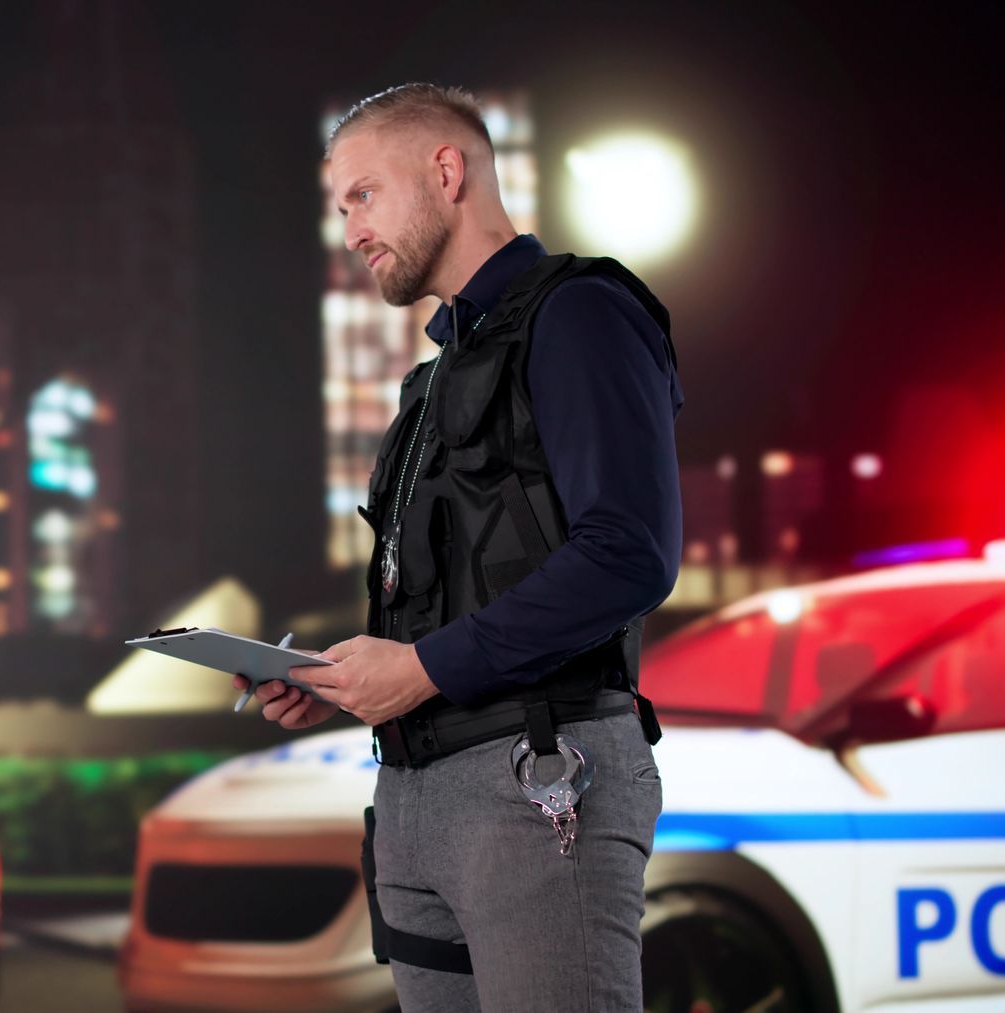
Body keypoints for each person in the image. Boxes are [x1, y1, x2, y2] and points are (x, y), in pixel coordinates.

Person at [241, 84, 683, 1010]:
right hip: (415, 799)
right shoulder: (431, 381)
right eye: (340, 208)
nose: (350, 229)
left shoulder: (581, 313)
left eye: (362, 194)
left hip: (538, 777)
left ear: (448, 172)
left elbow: (629, 553)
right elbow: (451, 592)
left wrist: (425, 669)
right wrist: (341, 676)